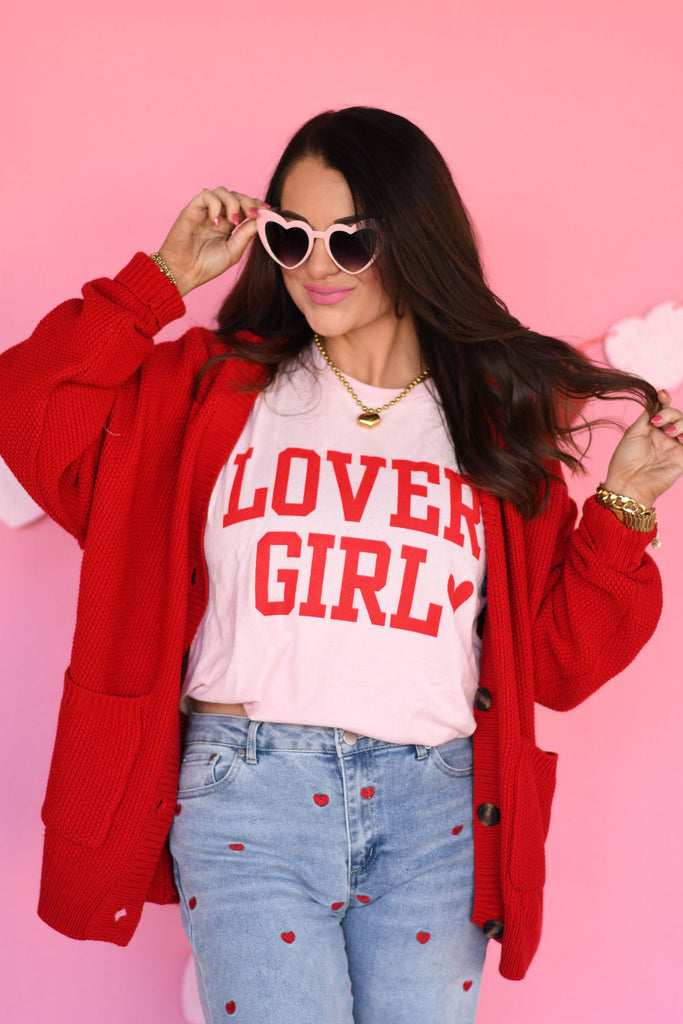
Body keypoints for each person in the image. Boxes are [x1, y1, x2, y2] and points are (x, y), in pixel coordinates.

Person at [1, 107, 681, 1024]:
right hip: (247, 797)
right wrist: (160, 280)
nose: (315, 266)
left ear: (413, 238)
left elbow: (556, 666)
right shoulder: (206, 391)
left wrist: (625, 505)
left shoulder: (492, 420)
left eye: (350, 241)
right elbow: (27, 406)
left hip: (438, 808)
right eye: (291, 236)